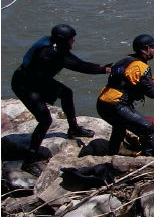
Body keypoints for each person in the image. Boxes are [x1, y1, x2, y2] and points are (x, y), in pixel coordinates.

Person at [11, 24, 111, 176]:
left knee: (66, 93)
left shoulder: (56, 47)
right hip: (25, 85)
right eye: (72, 39)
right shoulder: (50, 52)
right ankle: (29, 161)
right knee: (45, 120)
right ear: (63, 40)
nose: (74, 42)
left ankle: (73, 128)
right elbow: (79, 67)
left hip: (38, 80)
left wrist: (105, 67)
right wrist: (106, 70)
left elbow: (78, 61)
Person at [96, 34, 154, 157]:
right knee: (149, 130)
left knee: (119, 128)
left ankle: (111, 155)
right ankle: (146, 162)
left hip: (103, 104)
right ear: (145, 49)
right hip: (115, 105)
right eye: (152, 46)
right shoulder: (141, 66)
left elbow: (143, 80)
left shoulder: (130, 59)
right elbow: (153, 92)